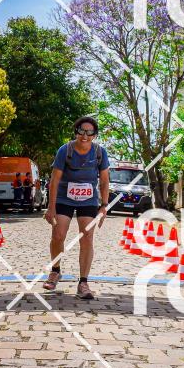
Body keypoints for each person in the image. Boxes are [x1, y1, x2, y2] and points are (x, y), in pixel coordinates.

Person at [43, 116, 110, 300]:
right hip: (64, 197)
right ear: (76, 132)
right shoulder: (65, 150)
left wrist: (104, 206)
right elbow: (55, 180)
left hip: (88, 200)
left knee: (87, 237)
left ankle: (83, 282)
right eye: (81, 131)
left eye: (89, 132)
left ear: (94, 135)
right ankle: (55, 271)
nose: (85, 136)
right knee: (58, 235)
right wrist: (51, 207)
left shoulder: (100, 152)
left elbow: (104, 180)